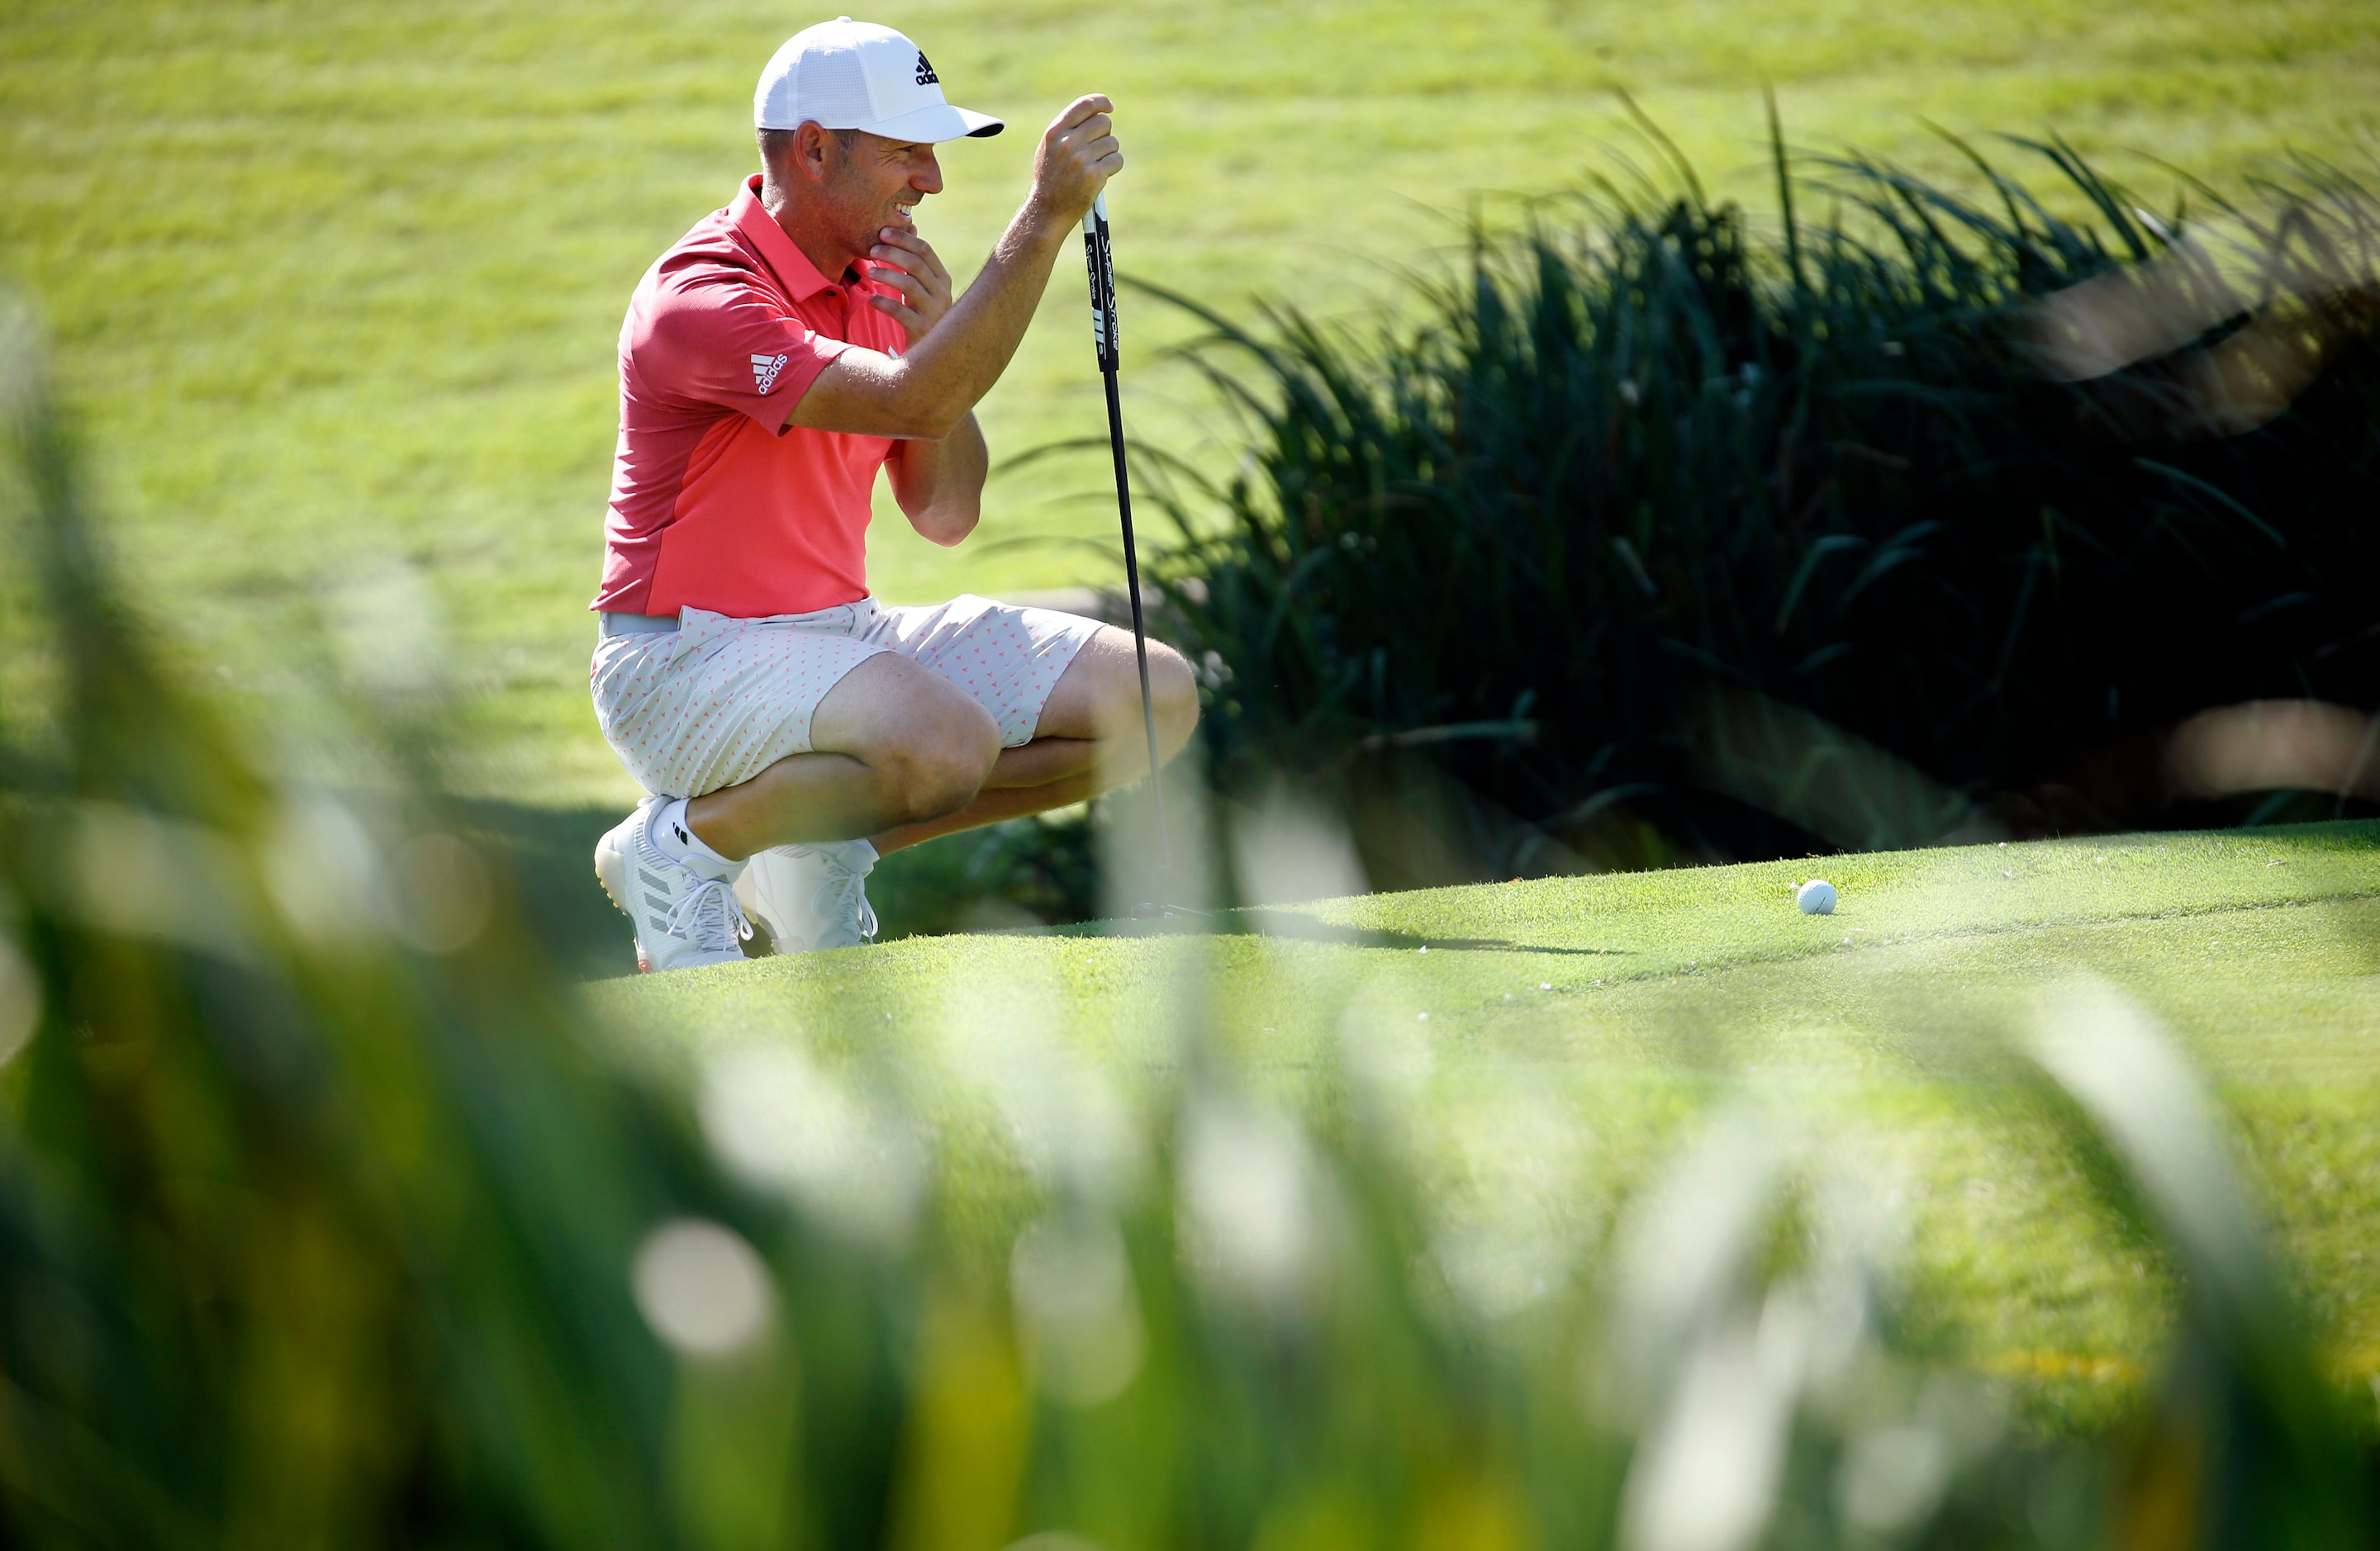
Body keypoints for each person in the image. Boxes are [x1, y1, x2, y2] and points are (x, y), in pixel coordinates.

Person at [587, 17, 1198, 971]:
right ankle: (677, 853)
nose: (932, 180)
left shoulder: (873, 286)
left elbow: (946, 512)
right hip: (682, 663)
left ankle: (812, 847)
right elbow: (919, 398)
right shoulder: (702, 297)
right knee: (942, 745)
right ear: (816, 149)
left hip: (841, 641)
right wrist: (1040, 221)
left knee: (1151, 698)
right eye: (907, 152)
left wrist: (930, 331)